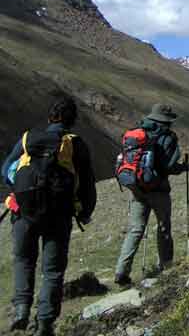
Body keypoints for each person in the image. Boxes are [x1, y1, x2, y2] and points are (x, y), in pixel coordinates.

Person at [1, 97, 96, 336]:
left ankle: (21, 310)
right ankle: (45, 321)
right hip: (59, 214)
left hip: (24, 212)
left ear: (49, 117)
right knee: (52, 269)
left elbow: (6, 170)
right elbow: (87, 183)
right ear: (73, 121)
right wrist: (85, 211)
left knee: (23, 260)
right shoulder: (75, 144)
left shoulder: (28, 138)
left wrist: (20, 192)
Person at [114, 104, 189, 286]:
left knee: (136, 229)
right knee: (163, 227)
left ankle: (121, 271)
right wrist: (183, 167)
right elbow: (168, 166)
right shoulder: (167, 137)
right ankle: (167, 266)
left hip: (137, 188)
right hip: (158, 190)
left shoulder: (136, 132)